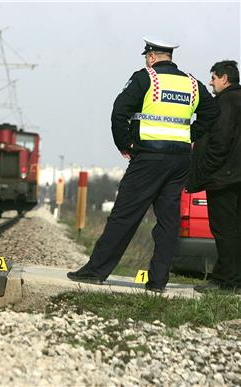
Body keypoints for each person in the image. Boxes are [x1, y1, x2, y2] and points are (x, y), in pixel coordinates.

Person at [67, 38, 220, 292]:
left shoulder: (146, 78)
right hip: (179, 160)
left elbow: (119, 112)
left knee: (125, 215)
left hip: (148, 157)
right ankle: (158, 281)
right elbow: (212, 112)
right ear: (169, 56)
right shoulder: (192, 84)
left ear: (151, 57)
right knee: (168, 222)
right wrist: (191, 135)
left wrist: (125, 144)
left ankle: (96, 271)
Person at [188, 60, 241, 293]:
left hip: (224, 177)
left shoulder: (225, 102)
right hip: (235, 176)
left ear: (224, 79)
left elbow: (220, 142)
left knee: (223, 229)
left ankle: (224, 282)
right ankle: (233, 280)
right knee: (235, 229)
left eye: (213, 77)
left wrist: (206, 170)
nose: (211, 82)